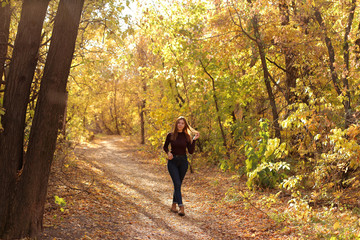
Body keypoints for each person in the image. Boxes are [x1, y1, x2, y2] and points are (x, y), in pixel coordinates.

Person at [163, 116, 200, 216]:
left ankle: (173, 205)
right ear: (176, 124)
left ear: (185, 125)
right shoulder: (170, 135)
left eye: (182, 123)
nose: (180, 125)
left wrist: (194, 140)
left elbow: (191, 152)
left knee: (178, 184)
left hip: (183, 162)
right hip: (173, 162)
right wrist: (168, 153)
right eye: (179, 123)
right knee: (177, 183)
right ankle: (181, 206)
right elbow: (165, 146)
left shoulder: (187, 136)